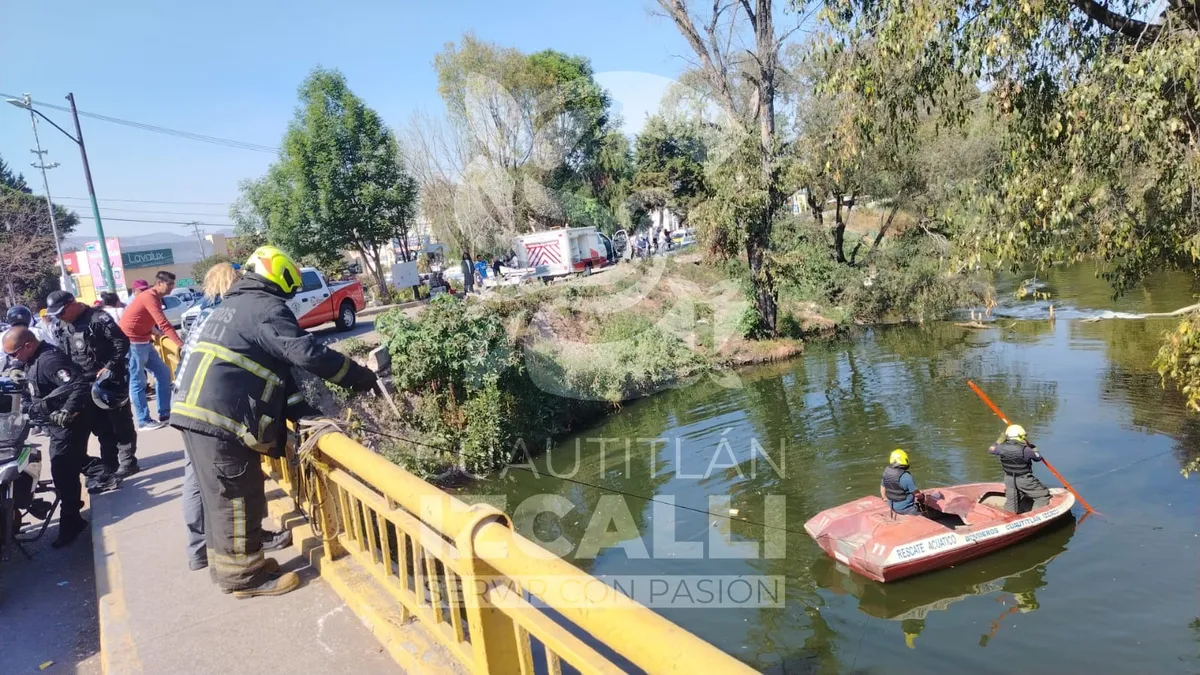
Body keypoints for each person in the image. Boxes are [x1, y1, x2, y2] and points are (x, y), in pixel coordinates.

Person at [170, 245, 378, 598]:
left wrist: (304, 414)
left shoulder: (234, 306)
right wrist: (359, 377)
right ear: (280, 281)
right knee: (234, 498)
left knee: (228, 496)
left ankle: (235, 567)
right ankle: (245, 580)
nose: (290, 300)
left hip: (204, 416)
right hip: (219, 419)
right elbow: (306, 353)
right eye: (290, 292)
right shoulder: (265, 308)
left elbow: (278, 375)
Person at [173, 263, 292, 572]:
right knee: (230, 490)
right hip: (210, 411)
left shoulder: (201, 312)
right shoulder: (230, 311)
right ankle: (237, 565)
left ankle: (202, 550)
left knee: (202, 482)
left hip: (187, 403)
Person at [2, 327, 93, 547]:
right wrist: (15, 371)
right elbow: (25, 377)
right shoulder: (31, 359)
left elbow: (77, 384)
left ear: (28, 345)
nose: (13, 359)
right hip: (54, 425)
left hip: (68, 424)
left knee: (63, 473)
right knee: (70, 466)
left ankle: (71, 524)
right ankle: (98, 473)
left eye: (14, 354)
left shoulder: (49, 360)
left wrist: (66, 410)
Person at [46, 289, 139, 481]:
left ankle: (128, 461)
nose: (59, 317)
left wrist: (110, 367)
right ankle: (110, 464)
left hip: (109, 382)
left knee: (120, 424)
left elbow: (121, 342)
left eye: (61, 312)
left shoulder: (98, 318)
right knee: (101, 427)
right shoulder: (62, 325)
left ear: (72, 305)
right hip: (83, 384)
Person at [119, 270, 184, 431]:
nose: (171, 288)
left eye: (172, 284)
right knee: (138, 381)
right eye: (169, 284)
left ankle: (165, 413)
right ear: (159, 283)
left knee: (163, 373)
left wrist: (155, 333)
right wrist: (180, 345)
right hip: (132, 343)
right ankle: (143, 420)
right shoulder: (149, 296)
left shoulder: (154, 297)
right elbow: (163, 323)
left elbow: (151, 321)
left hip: (144, 341)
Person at [988, 424, 1051, 514]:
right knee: (1042, 495)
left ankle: (1008, 519)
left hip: (1009, 479)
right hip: (1024, 479)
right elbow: (1038, 458)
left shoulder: (1000, 448)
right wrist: (1034, 449)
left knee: (1011, 501)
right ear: (1021, 437)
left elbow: (991, 449)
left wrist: (999, 441)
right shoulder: (1026, 450)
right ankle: (1034, 516)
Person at [880, 448, 923, 515]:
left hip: (891, 505)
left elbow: (882, 487)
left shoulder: (886, 472)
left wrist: (884, 498)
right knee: (923, 517)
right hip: (906, 509)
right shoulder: (906, 476)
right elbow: (916, 494)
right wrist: (922, 496)